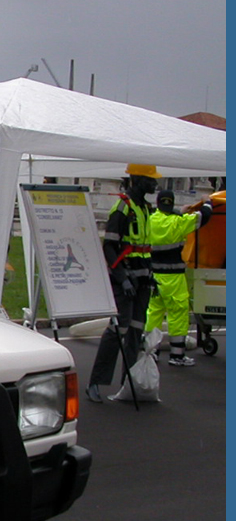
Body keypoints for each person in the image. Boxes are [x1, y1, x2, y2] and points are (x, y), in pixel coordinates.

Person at [86, 164, 160, 403]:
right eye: (150, 180)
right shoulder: (122, 208)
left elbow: (144, 248)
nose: (155, 184)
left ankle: (128, 383)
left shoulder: (146, 208)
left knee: (136, 331)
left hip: (142, 280)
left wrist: (151, 276)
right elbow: (109, 247)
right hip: (125, 280)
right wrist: (122, 278)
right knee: (118, 329)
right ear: (137, 180)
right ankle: (95, 383)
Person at [145, 189, 213, 366]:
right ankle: (177, 356)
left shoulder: (150, 219)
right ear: (171, 204)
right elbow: (203, 217)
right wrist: (207, 201)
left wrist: (180, 212)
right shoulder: (178, 222)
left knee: (153, 314)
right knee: (177, 314)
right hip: (174, 278)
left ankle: (151, 353)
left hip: (153, 277)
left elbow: (167, 220)